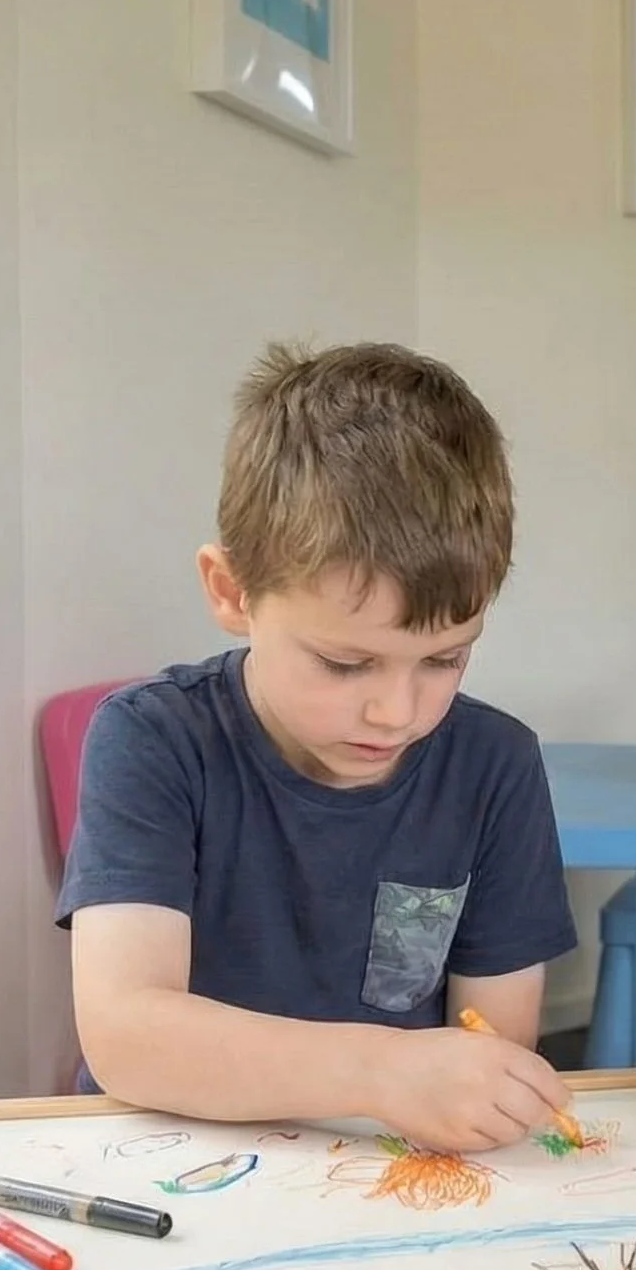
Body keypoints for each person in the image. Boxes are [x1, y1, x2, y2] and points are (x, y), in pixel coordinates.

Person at [59, 342, 580, 1153]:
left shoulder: (495, 765)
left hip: (383, 1174)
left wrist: (464, 1081)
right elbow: (125, 1032)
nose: (397, 710)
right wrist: (382, 1070)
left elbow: (495, 1046)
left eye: (445, 657)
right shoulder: (152, 739)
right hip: (171, 1163)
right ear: (232, 591)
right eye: (345, 662)